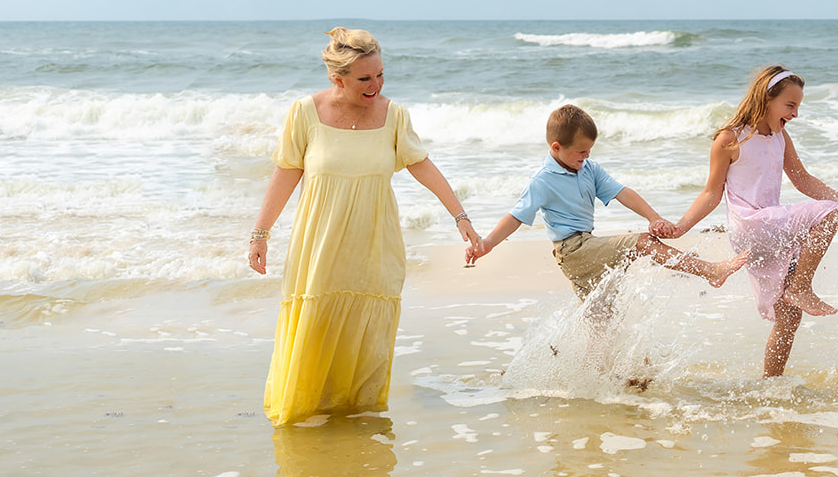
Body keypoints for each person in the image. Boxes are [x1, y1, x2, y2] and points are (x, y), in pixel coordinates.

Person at [249, 27, 481, 426]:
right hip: (319, 243)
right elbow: (286, 171)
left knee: (367, 331)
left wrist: (460, 217)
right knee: (316, 324)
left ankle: (356, 420)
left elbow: (421, 165)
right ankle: (308, 418)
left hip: (375, 242)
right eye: (364, 79)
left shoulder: (394, 116)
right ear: (337, 79)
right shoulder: (305, 112)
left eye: (380, 75)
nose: (375, 85)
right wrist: (260, 234)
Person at [662, 66, 838, 377]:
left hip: (772, 231)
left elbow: (801, 179)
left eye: (798, 106)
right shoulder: (730, 138)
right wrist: (681, 227)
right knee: (827, 215)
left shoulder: (779, 136)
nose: (796, 113)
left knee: (789, 317)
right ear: (767, 98)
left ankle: (770, 384)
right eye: (790, 105)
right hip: (751, 226)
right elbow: (711, 193)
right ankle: (801, 286)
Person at [463, 104, 749, 298]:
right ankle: (711, 270)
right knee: (644, 243)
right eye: (580, 152)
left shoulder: (589, 169)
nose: (586, 156)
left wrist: (653, 217)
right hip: (572, 250)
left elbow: (623, 192)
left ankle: (595, 376)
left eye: (589, 151)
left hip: (587, 247)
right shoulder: (542, 180)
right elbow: (515, 217)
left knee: (602, 318)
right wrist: (486, 244)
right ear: (556, 147)